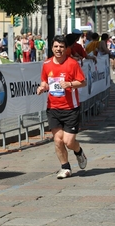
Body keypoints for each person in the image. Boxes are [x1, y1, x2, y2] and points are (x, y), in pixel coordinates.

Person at [36, 35, 88, 179]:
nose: (58, 49)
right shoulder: (46, 64)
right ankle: (65, 167)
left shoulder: (72, 64)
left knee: (69, 142)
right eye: (56, 46)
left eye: (61, 47)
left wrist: (70, 84)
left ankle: (78, 152)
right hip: (53, 107)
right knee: (58, 140)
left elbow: (83, 82)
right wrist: (42, 87)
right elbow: (45, 82)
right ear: (52, 48)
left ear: (66, 49)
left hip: (71, 108)